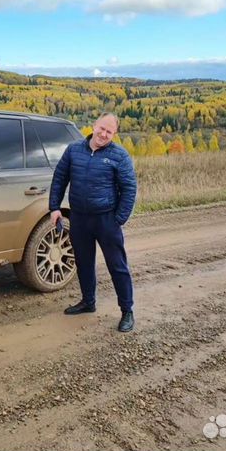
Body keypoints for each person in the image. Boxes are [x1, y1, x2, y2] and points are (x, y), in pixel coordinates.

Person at [49, 112, 137, 332]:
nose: (104, 134)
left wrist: (118, 219)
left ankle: (127, 311)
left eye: (109, 131)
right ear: (94, 125)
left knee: (117, 266)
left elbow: (129, 189)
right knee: (84, 263)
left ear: (114, 134)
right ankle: (88, 302)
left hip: (106, 219)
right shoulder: (74, 150)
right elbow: (60, 177)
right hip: (79, 217)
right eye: (102, 128)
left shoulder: (120, 156)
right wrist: (54, 208)